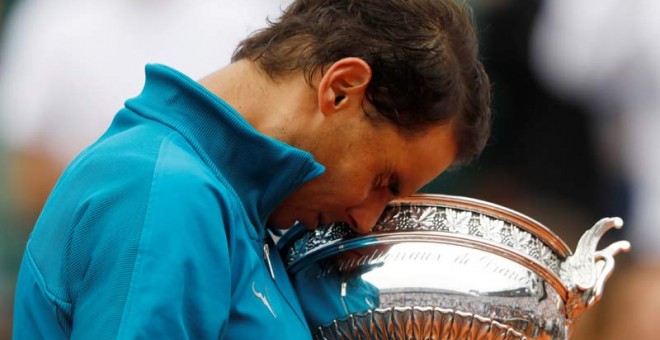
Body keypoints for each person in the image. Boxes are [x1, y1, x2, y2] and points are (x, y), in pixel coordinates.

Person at [12, 0, 490, 338]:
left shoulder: (254, 213)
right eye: (383, 182)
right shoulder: (165, 196)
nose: (368, 220)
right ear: (341, 88)